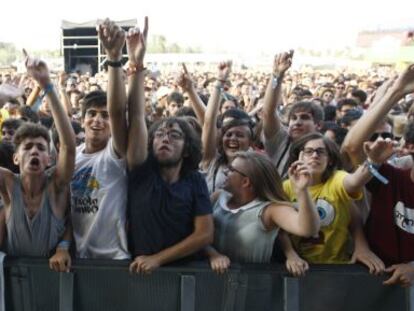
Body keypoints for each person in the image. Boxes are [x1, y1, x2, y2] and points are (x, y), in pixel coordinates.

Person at [126, 17, 214, 273]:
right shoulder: (141, 172)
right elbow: (137, 116)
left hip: (187, 275)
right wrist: (137, 64)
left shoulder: (195, 181)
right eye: (160, 134)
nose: (165, 138)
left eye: (174, 135)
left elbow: (204, 234)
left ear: (187, 149)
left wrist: (159, 259)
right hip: (139, 273)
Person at [342, 64, 414, 287]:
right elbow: (352, 148)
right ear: (410, 147)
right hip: (373, 284)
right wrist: (396, 93)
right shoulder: (389, 179)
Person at [65, 18, 130, 261]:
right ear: (82, 121)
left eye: (104, 116)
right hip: (78, 260)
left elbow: (117, 109)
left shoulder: (115, 154)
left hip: (115, 260)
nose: (97, 120)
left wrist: (114, 58)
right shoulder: (72, 157)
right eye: (91, 114)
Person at [0, 50, 75, 256]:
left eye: (41, 148)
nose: (34, 151)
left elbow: (68, 147)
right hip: (14, 284)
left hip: (51, 283)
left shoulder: (56, 187)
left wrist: (47, 86)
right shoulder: (7, 183)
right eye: (27, 147)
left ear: (49, 159)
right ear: (15, 158)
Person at [280, 133, 386, 275]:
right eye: (309, 151)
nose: (315, 155)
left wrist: (373, 161)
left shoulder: (336, 179)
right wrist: (290, 254)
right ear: (300, 157)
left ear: (329, 160)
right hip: (300, 268)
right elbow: (279, 228)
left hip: (338, 267)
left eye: (321, 151)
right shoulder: (286, 187)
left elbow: (355, 182)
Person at [206, 151, 320, 272]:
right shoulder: (217, 197)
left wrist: (302, 191)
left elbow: (308, 229)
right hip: (213, 282)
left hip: (253, 285)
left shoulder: (270, 210)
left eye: (231, 170)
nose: (224, 172)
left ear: (245, 182)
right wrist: (213, 255)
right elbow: (197, 233)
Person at [262, 51, 324, 178]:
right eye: (293, 118)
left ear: (318, 125)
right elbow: (268, 112)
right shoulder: (281, 140)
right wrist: (277, 75)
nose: (297, 122)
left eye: (305, 117)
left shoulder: (325, 149)